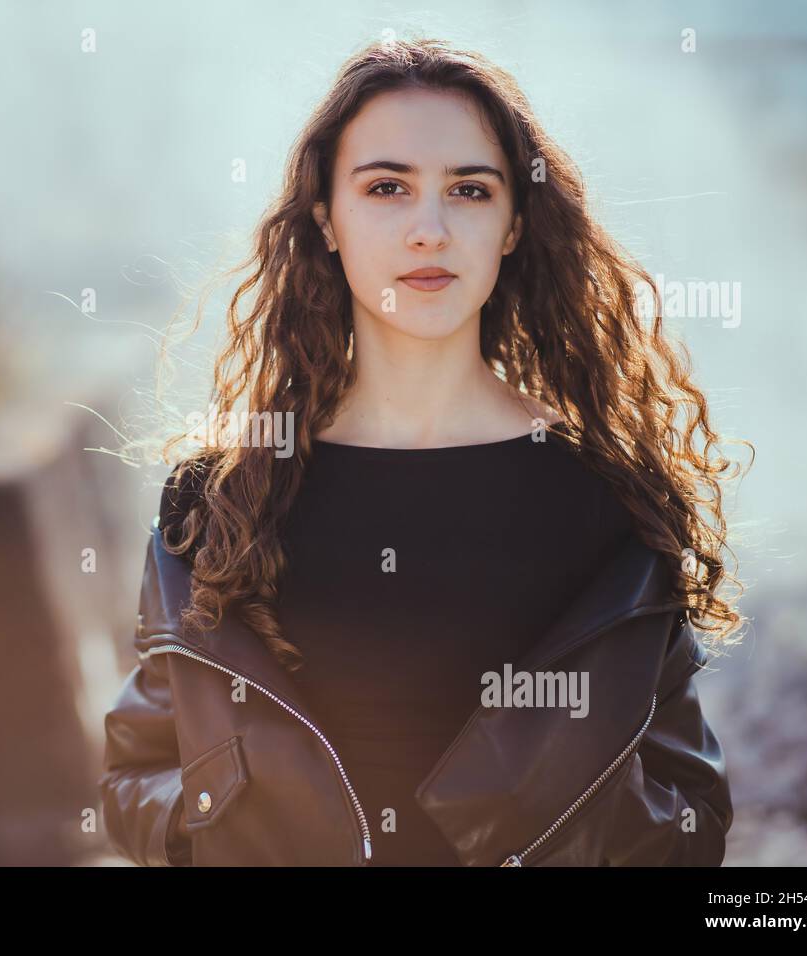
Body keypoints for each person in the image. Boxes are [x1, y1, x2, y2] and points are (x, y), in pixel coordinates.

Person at [99, 37, 750, 867]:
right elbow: (139, 773)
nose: (430, 230)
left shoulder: (605, 498)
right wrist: (228, 839)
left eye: (469, 191)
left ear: (515, 224)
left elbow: (688, 812)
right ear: (326, 221)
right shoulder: (221, 497)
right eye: (386, 188)